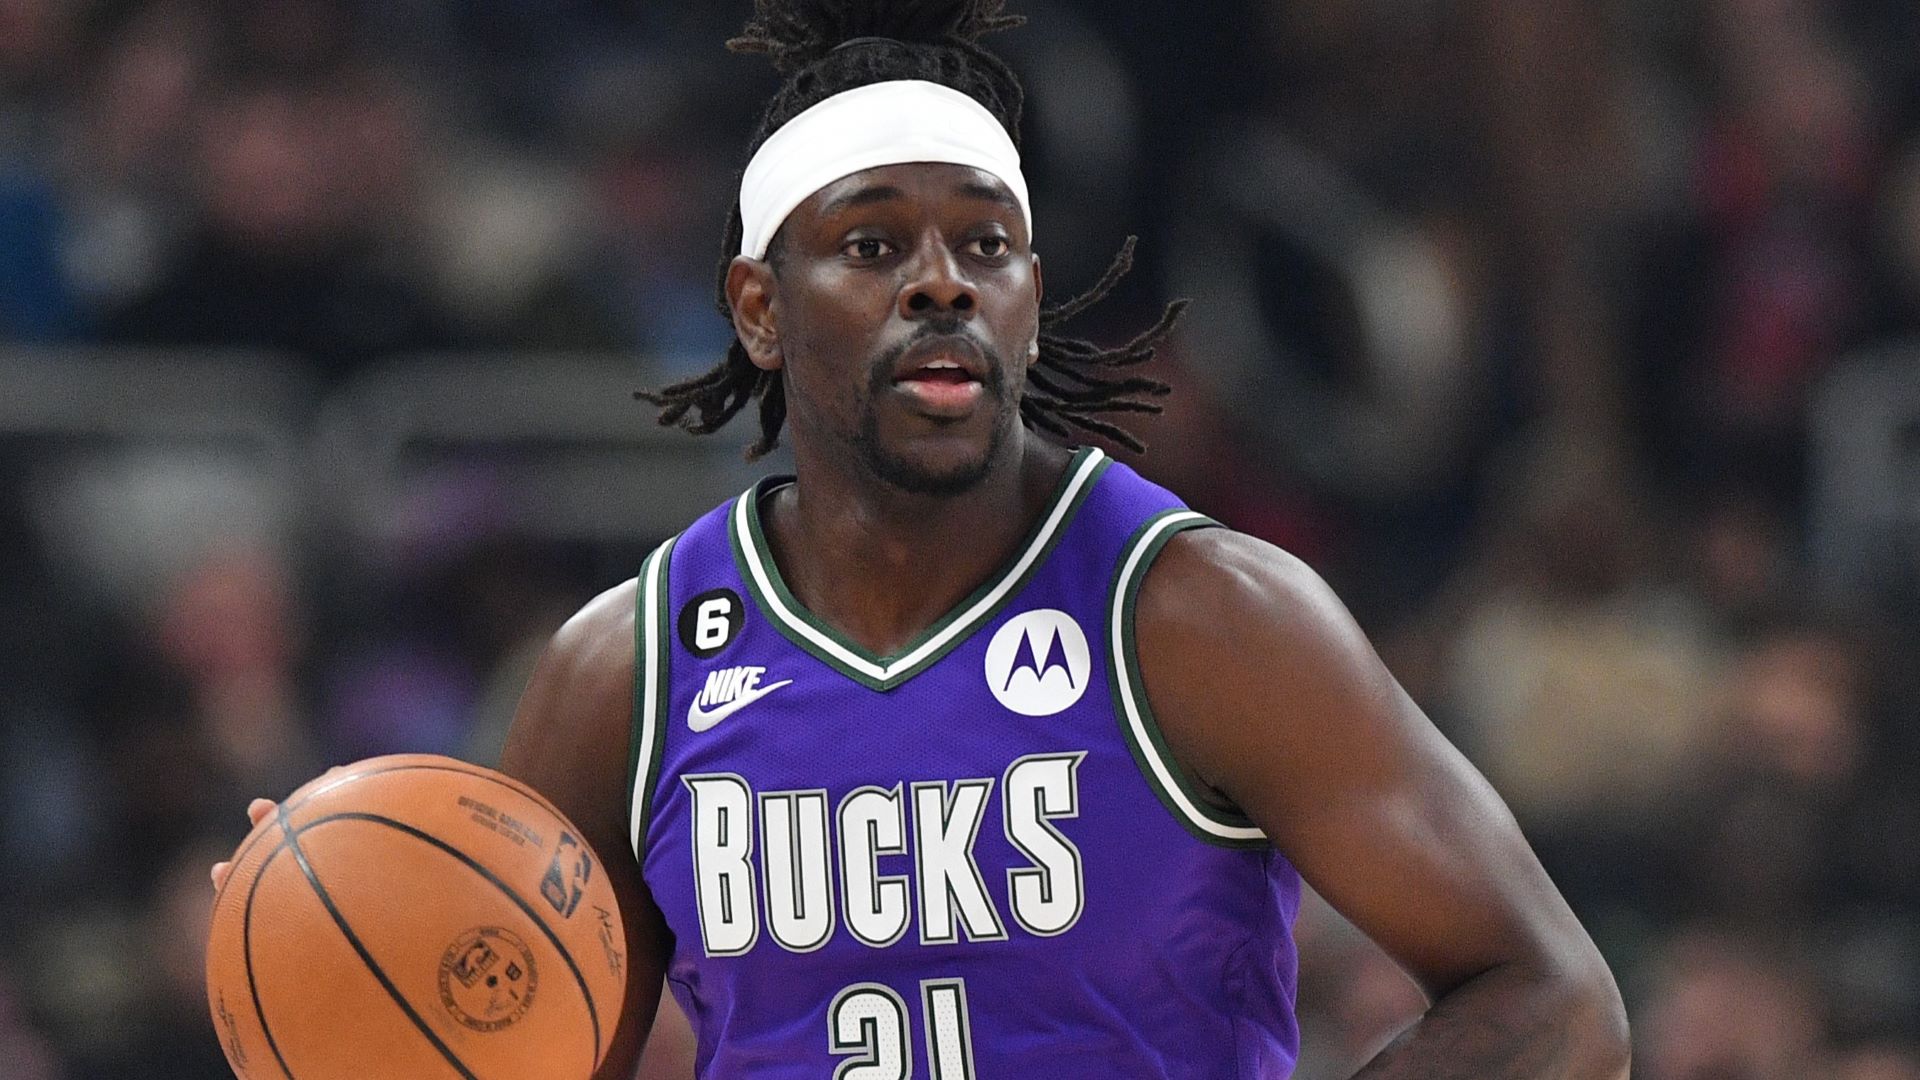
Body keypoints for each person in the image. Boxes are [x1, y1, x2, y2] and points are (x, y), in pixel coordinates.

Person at [218, 2, 1629, 1076]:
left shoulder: (1197, 611)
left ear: (1030, 302)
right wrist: (336, 931)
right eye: (874, 246)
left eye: (986, 246)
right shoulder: (628, 670)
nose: (943, 283)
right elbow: (512, 1032)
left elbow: (1555, 999)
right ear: (759, 309)